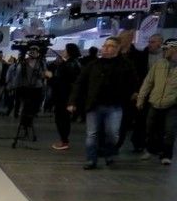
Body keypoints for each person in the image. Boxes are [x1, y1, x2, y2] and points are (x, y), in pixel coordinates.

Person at [68, 36, 139, 170]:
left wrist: (133, 94)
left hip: (115, 106)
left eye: (110, 46)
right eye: (104, 45)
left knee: (112, 134)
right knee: (92, 134)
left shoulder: (126, 65)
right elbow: (79, 83)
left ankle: (109, 153)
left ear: (117, 48)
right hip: (94, 105)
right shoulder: (93, 65)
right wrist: (72, 101)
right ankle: (91, 159)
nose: (106, 48)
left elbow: (134, 82)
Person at [136, 38, 177, 166]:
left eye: (166, 49)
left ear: (173, 49)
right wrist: (141, 98)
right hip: (155, 102)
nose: (164, 51)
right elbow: (148, 82)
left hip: (172, 104)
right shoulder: (159, 64)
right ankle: (150, 150)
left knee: (169, 131)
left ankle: (166, 155)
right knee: (150, 128)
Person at [49, 43, 82, 151]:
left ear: (69, 52)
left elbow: (60, 82)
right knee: (64, 119)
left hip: (62, 96)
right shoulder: (76, 63)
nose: (63, 51)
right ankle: (64, 140)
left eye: (65, 49)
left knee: (61, 119)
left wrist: (51, 77)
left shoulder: (68, 65)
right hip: (68, 96)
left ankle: (64, 141)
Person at [10, 47, 48, 130]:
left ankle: (29, 121)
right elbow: (18, 74)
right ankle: (24, 122)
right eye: (31, 52)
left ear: (37, 53)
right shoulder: (24, 62)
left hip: (37, 87)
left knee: (34, 106)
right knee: (26, 106)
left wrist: (40, 74)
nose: (32, 53)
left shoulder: (41, 62)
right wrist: (14, 85)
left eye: (34, 52)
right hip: (25, 87)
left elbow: (45, 74)